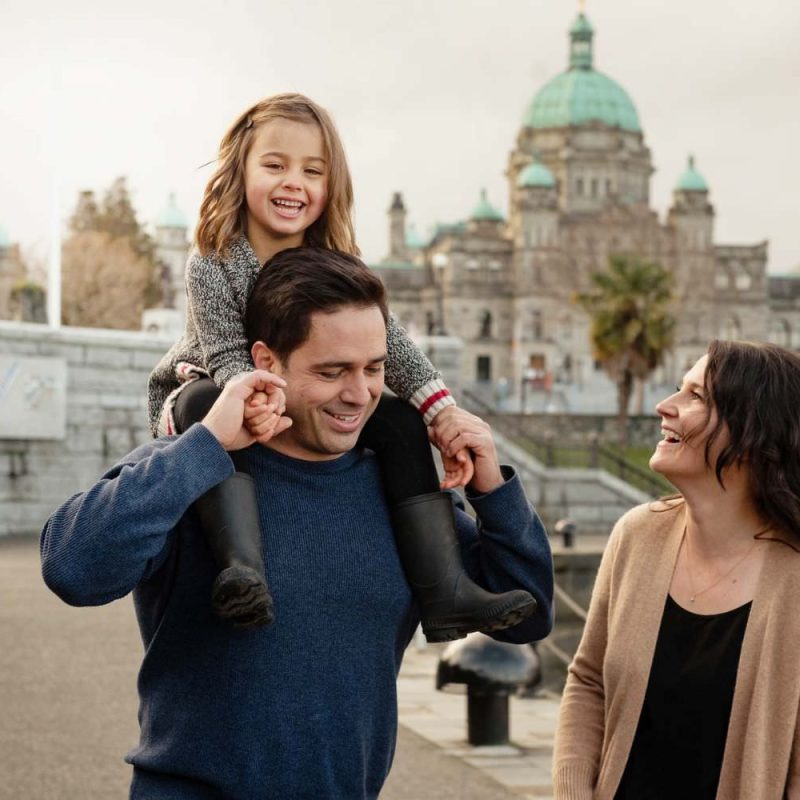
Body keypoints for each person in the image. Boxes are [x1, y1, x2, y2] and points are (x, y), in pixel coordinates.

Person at [41, 247, 554, 799]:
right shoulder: (195, 473)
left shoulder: (403, 494)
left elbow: (527, 614)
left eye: (375, 368)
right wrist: (204, 445)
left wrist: (493, 490)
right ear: (265, 360)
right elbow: (73, 567)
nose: (359, 394)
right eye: (332, 371)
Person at [147, 92, 536, 637]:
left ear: (331, 185)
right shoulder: (213, 260)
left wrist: (440, 410)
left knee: (400, 423)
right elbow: (226, 353)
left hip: (304, 394)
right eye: (275, 165)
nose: (293, 183)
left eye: (313, 170)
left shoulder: (339, 264)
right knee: (206, 404)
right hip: (215, 385)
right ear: (240, 172)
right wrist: (254, 400)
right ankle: (241, 569)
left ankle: (446, 589)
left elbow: (392, 346)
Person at [552, 339, 800, 800]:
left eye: (696, 396)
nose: (664, 407)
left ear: (753, 433)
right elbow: (588, 681)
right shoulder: (636, 535)